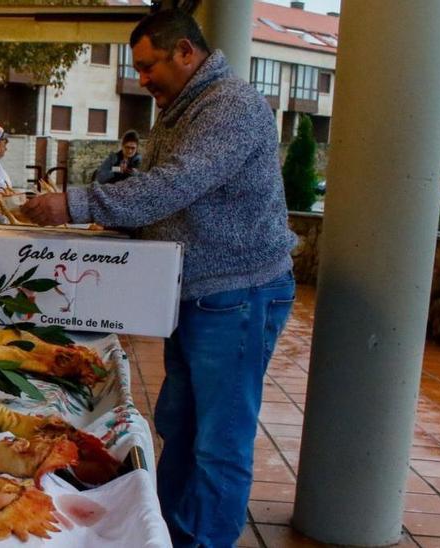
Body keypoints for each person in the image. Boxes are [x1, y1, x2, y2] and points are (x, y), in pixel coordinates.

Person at [21, 11, 296, 547]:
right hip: (196, 296)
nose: (142, 79)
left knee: (220, 441)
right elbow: (159, 193)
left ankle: (204, 540)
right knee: (180, 425)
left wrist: (75, 204)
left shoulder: (229, 106)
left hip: (236, 295)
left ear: (186, 53)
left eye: (148, 67)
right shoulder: (181, 109)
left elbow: (174, 185)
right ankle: (166, 531)